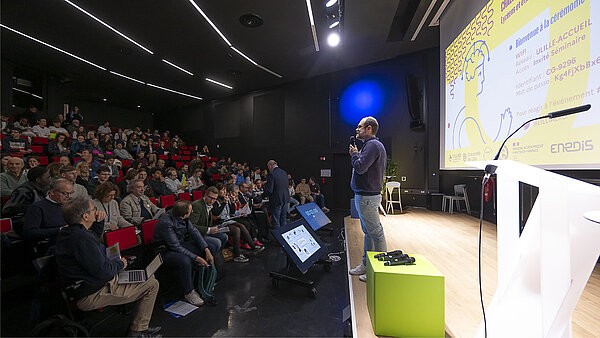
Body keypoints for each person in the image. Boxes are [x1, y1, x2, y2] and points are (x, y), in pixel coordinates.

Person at [55, 197, 161, 337]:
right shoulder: (81, 239)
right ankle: (137, 332)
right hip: (92, 292)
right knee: (152, 284)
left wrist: (98, 223)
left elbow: (92, 239)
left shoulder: (70, 232)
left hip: (91, 284)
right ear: (85, 216)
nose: (97, 211)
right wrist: (121, 263)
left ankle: (138, 325)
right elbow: (103, 271)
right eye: (94, 210)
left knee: (148, 276)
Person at [348, 116, 387, 283]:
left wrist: (354, 155)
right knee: (369, 233)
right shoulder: (372, 146)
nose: (357, 129)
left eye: (360, 126)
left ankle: (379, 270)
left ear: (369, 129)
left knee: (375, 233)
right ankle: (366, 264)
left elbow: (360, 167)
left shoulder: (372, 146)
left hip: (367, 197)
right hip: (365, 196)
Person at [153, 200, 212, 306]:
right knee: (185, 260)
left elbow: (194, 232)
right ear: (184, 214)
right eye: (190, 210)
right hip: (164, 251)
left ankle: (204, 281)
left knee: (209, 246)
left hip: (179, 244)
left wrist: (206, 249)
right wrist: (197, 258)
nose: (192, 211)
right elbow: (175, 247)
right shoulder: (166, 222)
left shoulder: (182, 216)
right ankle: (189, 292)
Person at [2, 167, 50, 235]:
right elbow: (8, 210)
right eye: (47, 178)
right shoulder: (24, 191)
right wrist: (36, 208)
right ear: (38, 180)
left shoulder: (45, 189)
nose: (49, 180)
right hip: (21, 223)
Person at [22, 178, 72, 246]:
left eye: (71, 193)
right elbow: (30, 233)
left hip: (70, 240)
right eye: (65, 193)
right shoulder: (37, 208)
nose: (69, 196)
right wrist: (60, 230)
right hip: (50, 245)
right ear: (53, 192)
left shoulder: (71, 204)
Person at [263, 160, 289, 228]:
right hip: (285, 199)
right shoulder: (284, 172)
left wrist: (261, 196)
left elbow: (269, 190)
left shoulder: (272, 174)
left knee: (276, 221)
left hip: (276, 200)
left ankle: (277, 238)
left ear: (270, 166)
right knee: (283, 220)